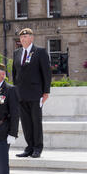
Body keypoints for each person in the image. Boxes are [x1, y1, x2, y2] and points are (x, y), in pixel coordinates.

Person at [12, 28, 52, 158]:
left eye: (26, 36)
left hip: (35, 94)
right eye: (21, 37)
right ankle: (29, 147)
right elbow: (14, 74)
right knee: (25, 123)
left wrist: (46, 91)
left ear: (32, 38)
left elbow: (46, 73)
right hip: (21, 94)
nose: (23, 39)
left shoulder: (39, 52)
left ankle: (37, 148)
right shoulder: (17, 53)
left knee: (36, 121)